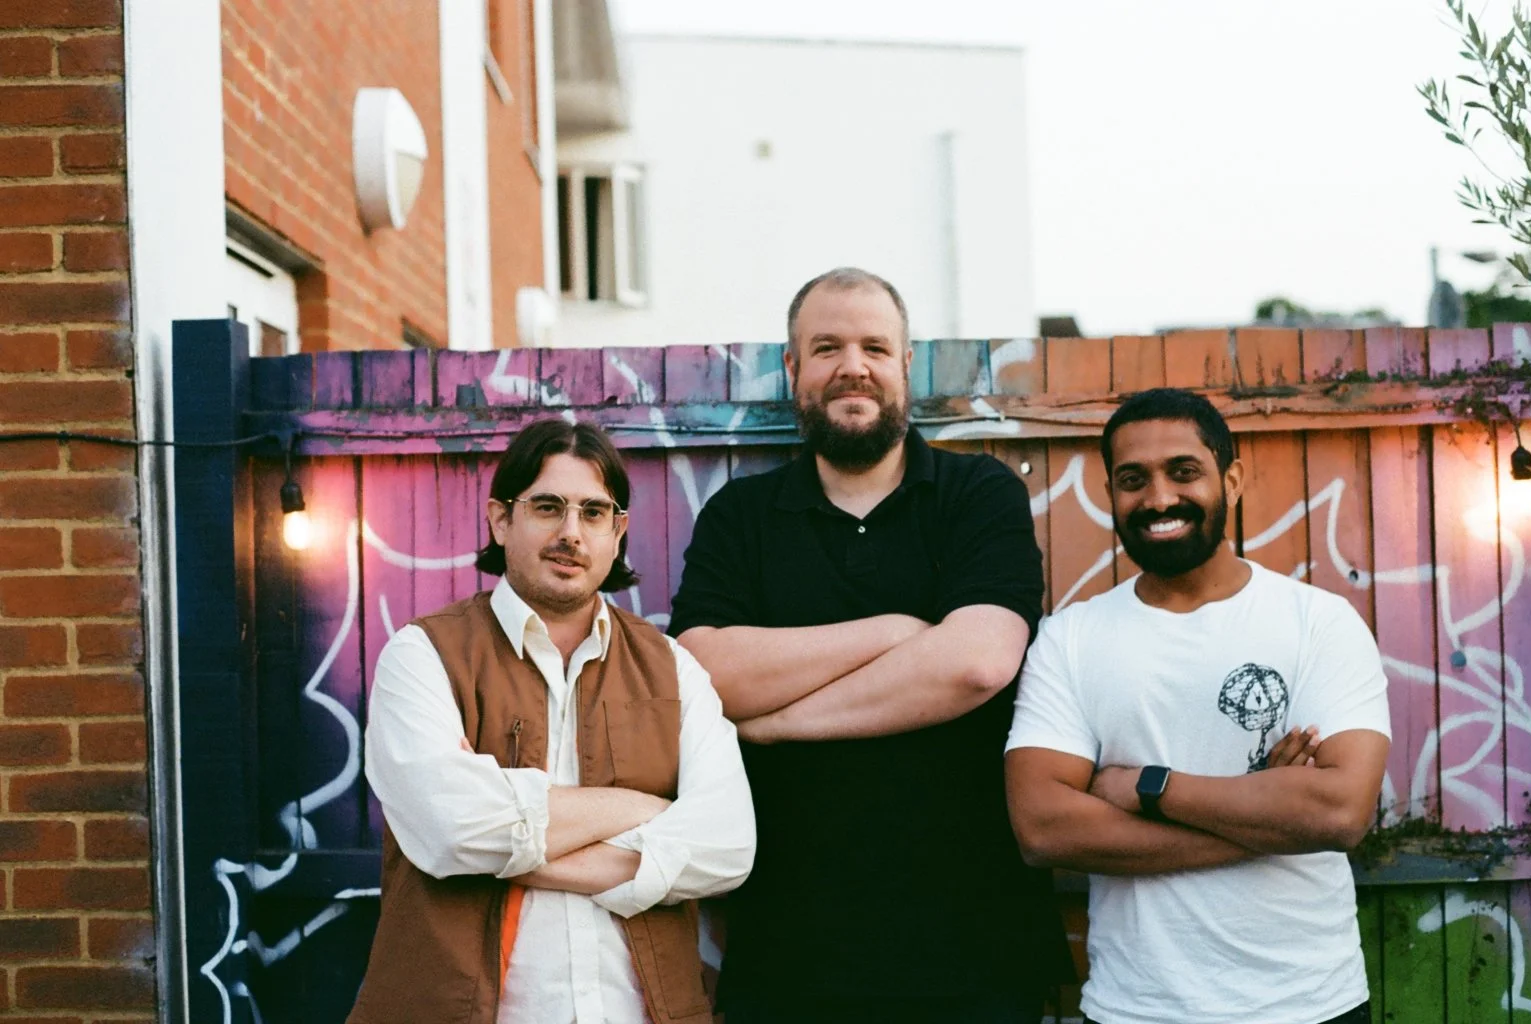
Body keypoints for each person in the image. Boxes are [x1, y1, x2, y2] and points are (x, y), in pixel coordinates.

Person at [669, 267, 1071, 1024]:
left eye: (873, 347)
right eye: (825, 347)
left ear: (904, 364)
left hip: (972, 944)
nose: (852, 365)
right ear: (793, 369)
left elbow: (976, 661)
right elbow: (703, 672)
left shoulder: (976, 496)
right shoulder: (742, 516)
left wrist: (779, 717)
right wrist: (893, 633)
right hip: (789, 947)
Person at [348, 419, 756, 1024]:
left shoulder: (672, 668)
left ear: (617, 532)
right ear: (500, 519)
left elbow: (728, 846)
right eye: (547, 506)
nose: (571, 532)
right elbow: (453, 828)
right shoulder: (422, 655)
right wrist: (641, 810)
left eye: (594, 512)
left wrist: (507, 842)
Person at [1005, 387, 1390, 1024]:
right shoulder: (1071, 638)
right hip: (1138, 1009)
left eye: (1183, 472)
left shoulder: (1318, 622)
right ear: (1111, 493)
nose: (1158, 498)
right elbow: (1043, 827)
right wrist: (1264, 813)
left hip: (1308, 1004)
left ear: (1230, 479)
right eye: (1133, 479)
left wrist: (1146, 786)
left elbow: (1341, 811)